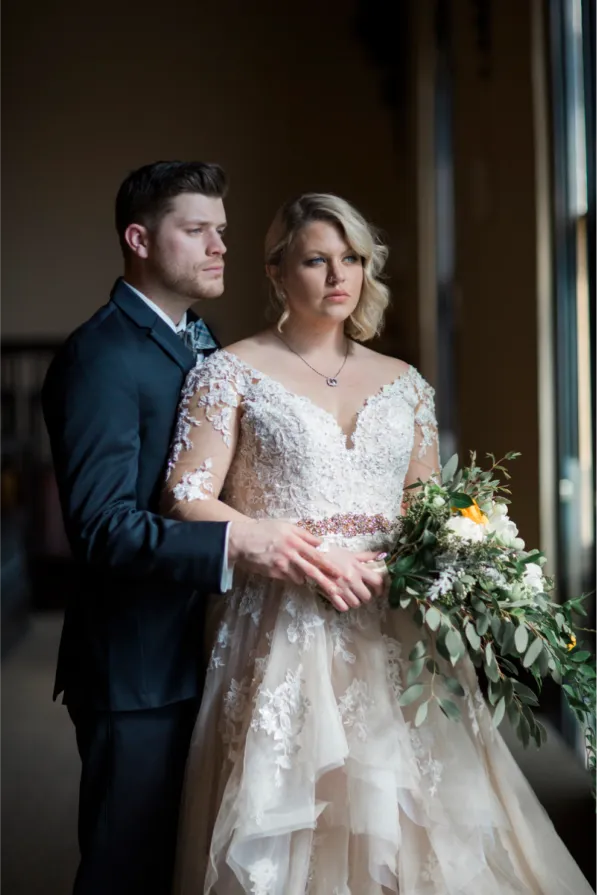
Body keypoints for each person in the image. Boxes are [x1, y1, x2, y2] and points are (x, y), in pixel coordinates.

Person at [165, 192, 594, 894]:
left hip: (394, 625)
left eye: (352, 259)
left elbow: (425, 506)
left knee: (420, 817)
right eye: (316, 259)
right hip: (283, 621)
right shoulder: (228, 372)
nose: (339, 275)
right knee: (300, 818)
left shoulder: (405, 385)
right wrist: (279, 544)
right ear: (276, 272)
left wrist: (440, 562)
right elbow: (185, 496)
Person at [42, 164, 368, 895]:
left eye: (221, 231)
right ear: (139, 239)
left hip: (218, 644)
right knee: (128, 866)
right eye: (195, 231)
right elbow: (100, 527)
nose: (218, 246)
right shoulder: (100, 357)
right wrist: (238, 539)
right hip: (138, 668)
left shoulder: (200, 338)